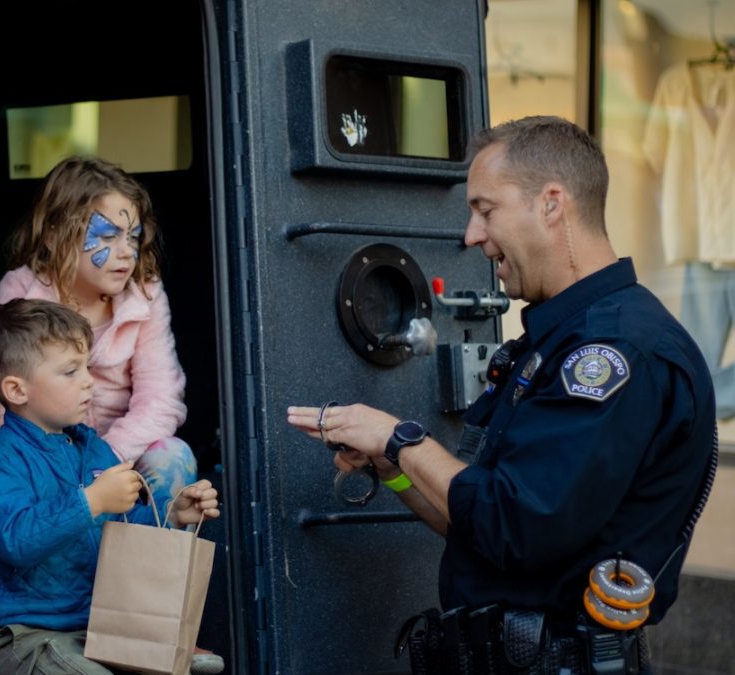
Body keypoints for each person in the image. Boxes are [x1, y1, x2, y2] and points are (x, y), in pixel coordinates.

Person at [287, 116, 716, 673]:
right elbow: (473, 522)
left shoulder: (613, 351)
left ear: (552, 204)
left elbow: (517, 527)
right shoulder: (559, 338)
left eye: (486, 210)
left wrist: (400, 437)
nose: (471, 235)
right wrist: (390, 462)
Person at [0, 156, 222, 674]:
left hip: (118, 450)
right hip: (36, 443)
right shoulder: (23, 288)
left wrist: (102, 467)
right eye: (106, 236)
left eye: (134, 237)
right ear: (57, 233)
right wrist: (61, 467)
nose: (125, 253)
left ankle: (152, 617)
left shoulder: (144, 294)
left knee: (174, 455)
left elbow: (162, 399)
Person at [0, 297, 220, 674]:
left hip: (103, 630)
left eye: (87, 367)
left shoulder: (92, 449)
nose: (88, 382)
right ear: (17, 390)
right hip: (25, 637)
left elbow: (124, 534)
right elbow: (16, 541)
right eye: (70, 372)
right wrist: (91, 502)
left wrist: (174, 515)